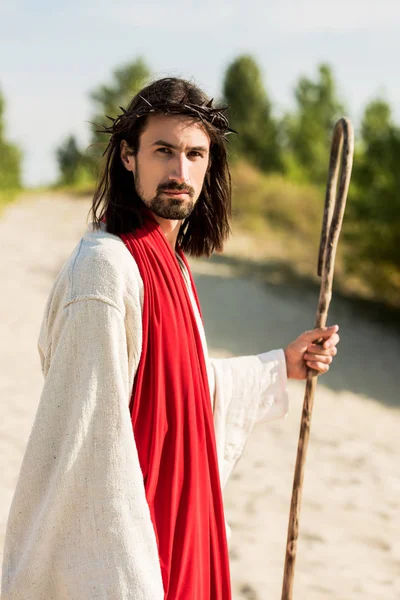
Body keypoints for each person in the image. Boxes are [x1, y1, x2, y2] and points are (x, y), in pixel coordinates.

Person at [1, 77, 340, 600]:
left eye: (195, 154)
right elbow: (90, 446)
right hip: (134, 556)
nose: (180, 172)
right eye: (163, 151)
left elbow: (179, 392)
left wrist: (280, 366)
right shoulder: (105, 270)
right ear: (128, 156)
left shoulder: (174, 266)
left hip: (182, 535)